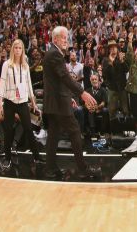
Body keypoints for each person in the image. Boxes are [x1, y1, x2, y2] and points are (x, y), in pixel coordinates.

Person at [42, 26, 99, 180]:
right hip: (59, 104)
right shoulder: (55, 54)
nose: (66, 40)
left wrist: (70, 97)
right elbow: (65, 78)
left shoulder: (53, 53)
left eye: (67, 37)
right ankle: (83, 169)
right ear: (55, 39)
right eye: (63, 37)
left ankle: (50, 168)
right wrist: (82, 93)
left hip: (55, 102)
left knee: (53, 136)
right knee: (74, 131)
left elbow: (57, 81)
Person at [0, 39, 42, 163]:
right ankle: (7, 158)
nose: (17, 50)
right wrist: (0, 103)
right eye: (15, 48)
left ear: (22, 50)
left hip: (22, 102)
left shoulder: (25, 65)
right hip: (9, 102)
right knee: (8, 130)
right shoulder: (6, 64)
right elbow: (3, 84)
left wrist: (33, 102)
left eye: (19, 48)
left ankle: (37, 157)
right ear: (12, 50)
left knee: (28, 129)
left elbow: (29, 85)